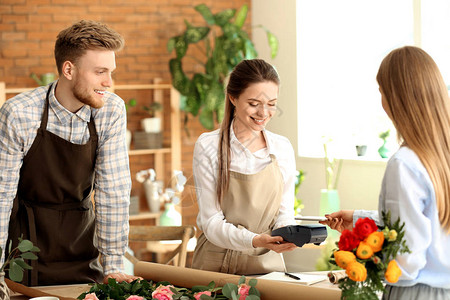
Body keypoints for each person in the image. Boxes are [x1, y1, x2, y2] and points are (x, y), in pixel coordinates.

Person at [0, 20, 141, 286]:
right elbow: (1, 196)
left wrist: (112, 263)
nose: (108, 82)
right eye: (100, 72)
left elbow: (114, 189)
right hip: (24, 252)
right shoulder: (19, 113)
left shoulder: (111, 110)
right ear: (68, 69)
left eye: (111, 72)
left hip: (83, 250)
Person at [321, 46, 450, 299]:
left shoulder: (404, 163)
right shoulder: (441, 156)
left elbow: (407, 259)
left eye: (382, 92)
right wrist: (361, 220)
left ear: (396, 97)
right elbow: (429, 223)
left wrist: (361, 262)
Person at [191, 59, 297, 275]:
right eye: (254, 103)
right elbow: (210, 221)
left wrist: (288, 233)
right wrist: (255, 240)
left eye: (271, 103)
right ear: (233, 98)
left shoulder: (282, 148)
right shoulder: (208, 145)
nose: (263, 113)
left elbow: (284, 212)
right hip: (215, 265)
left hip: (266, 266)